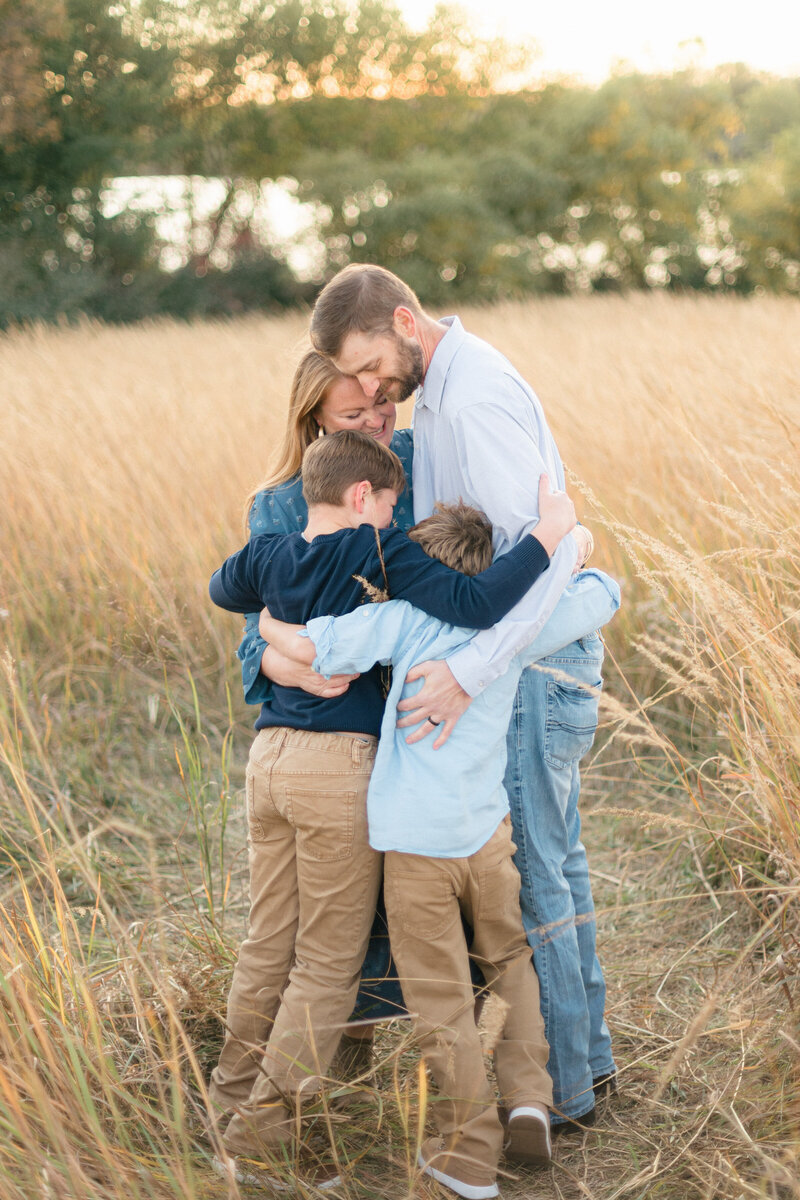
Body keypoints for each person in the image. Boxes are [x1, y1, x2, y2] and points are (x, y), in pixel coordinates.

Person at [207, 430, 577, 1178]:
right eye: (386, 504)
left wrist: (274, 629)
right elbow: (483, 603)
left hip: (271, 761)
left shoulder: (274, 552)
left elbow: (224, 592)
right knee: (331, 965)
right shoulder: (377, 552)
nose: (390, 518)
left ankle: (227, 1105)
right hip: (356, 777)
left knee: (267, 944)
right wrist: (554, 540)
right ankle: (259, 1138)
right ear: (362, 496)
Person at [309, 264, 617, 1130]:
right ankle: (585, 1064)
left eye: (372, 365)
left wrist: (468, 675)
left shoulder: (472, 399)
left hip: (523, 669)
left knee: (537, 876)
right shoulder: (439, 395)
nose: (372, 388)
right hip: (516, 663)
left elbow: (543, 565)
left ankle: (562, 1095)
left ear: (405, 323)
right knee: (555, 864)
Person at [259, 501, 620, 1200]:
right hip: (485, 838)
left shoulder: (400, 619)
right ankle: (528, 1096)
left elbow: (310, 648)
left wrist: (268, 621)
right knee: (511, 964)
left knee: (442, 999)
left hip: (415, 849)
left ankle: (467, 1153)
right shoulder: (517, 624)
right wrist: (573, 546)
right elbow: (603, 595)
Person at [236, 347, 416, 1069]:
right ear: (313, 420)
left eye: (382, 402)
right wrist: (287, 658)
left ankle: (251, 1090)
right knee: (325, 931)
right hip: (333, 735)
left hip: (410, 717)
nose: (375, 420)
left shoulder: (419, 463)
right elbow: (250, 632)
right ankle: (277, 1099)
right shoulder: (280, 503)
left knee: (403, 894)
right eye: (352, 413)